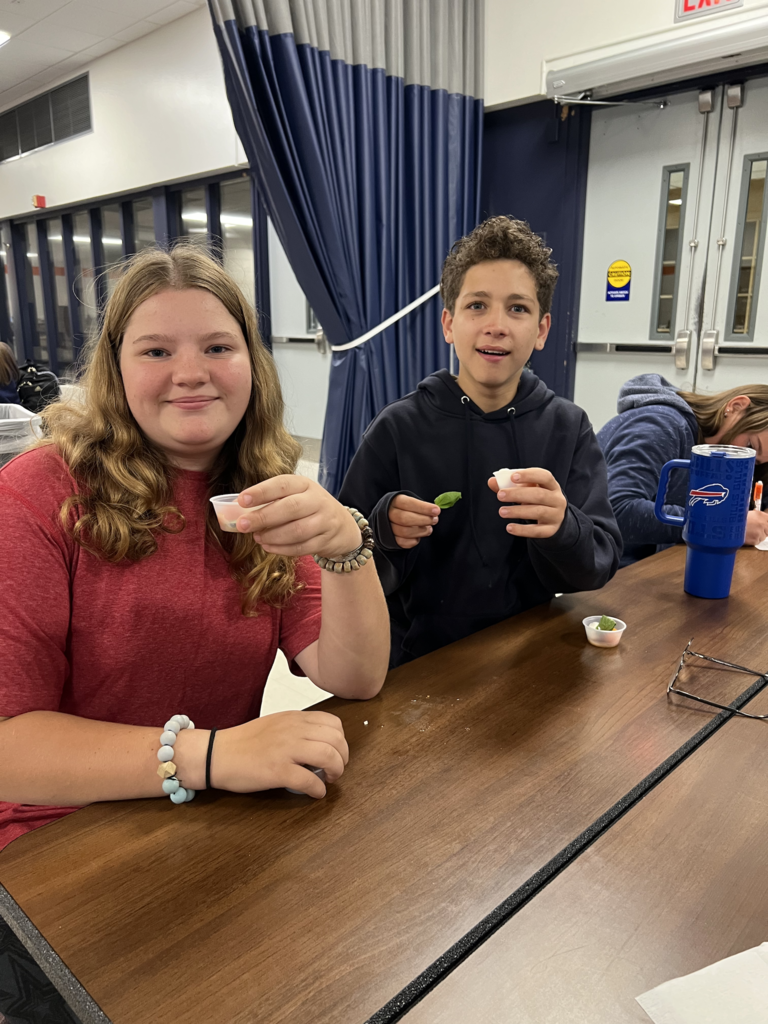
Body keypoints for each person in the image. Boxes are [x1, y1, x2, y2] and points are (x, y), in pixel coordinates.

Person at [0, 243, 390, 851]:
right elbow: (9, 747)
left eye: (217, 347)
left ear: (251, 364)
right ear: (116, 366)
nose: (190, 373)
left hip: (212, 824)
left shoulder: (260, 493)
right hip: (56, 840)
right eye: (156, 350)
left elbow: (354, 676)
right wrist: (211, 753)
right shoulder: (41, 491)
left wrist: (348, 547)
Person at [338, 216, 622, 667]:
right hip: (417, 662)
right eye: (477, 306)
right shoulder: (398, 427)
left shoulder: (568, 427)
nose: (496, 325)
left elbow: (598, 564)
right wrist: (382, 528)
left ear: (542, 330)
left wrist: (564, 525)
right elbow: (339, 558)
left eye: (518, 308)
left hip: (531, 655)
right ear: (449, 324)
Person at [597, 374, 768, 566]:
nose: (749, 462)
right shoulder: (661, 425)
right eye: (751, 446)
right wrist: (721, 526)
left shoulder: (717, 448)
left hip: (654, 563)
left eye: (759, 462)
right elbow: (616, 510)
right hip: (606, 569)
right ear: (736, 407)